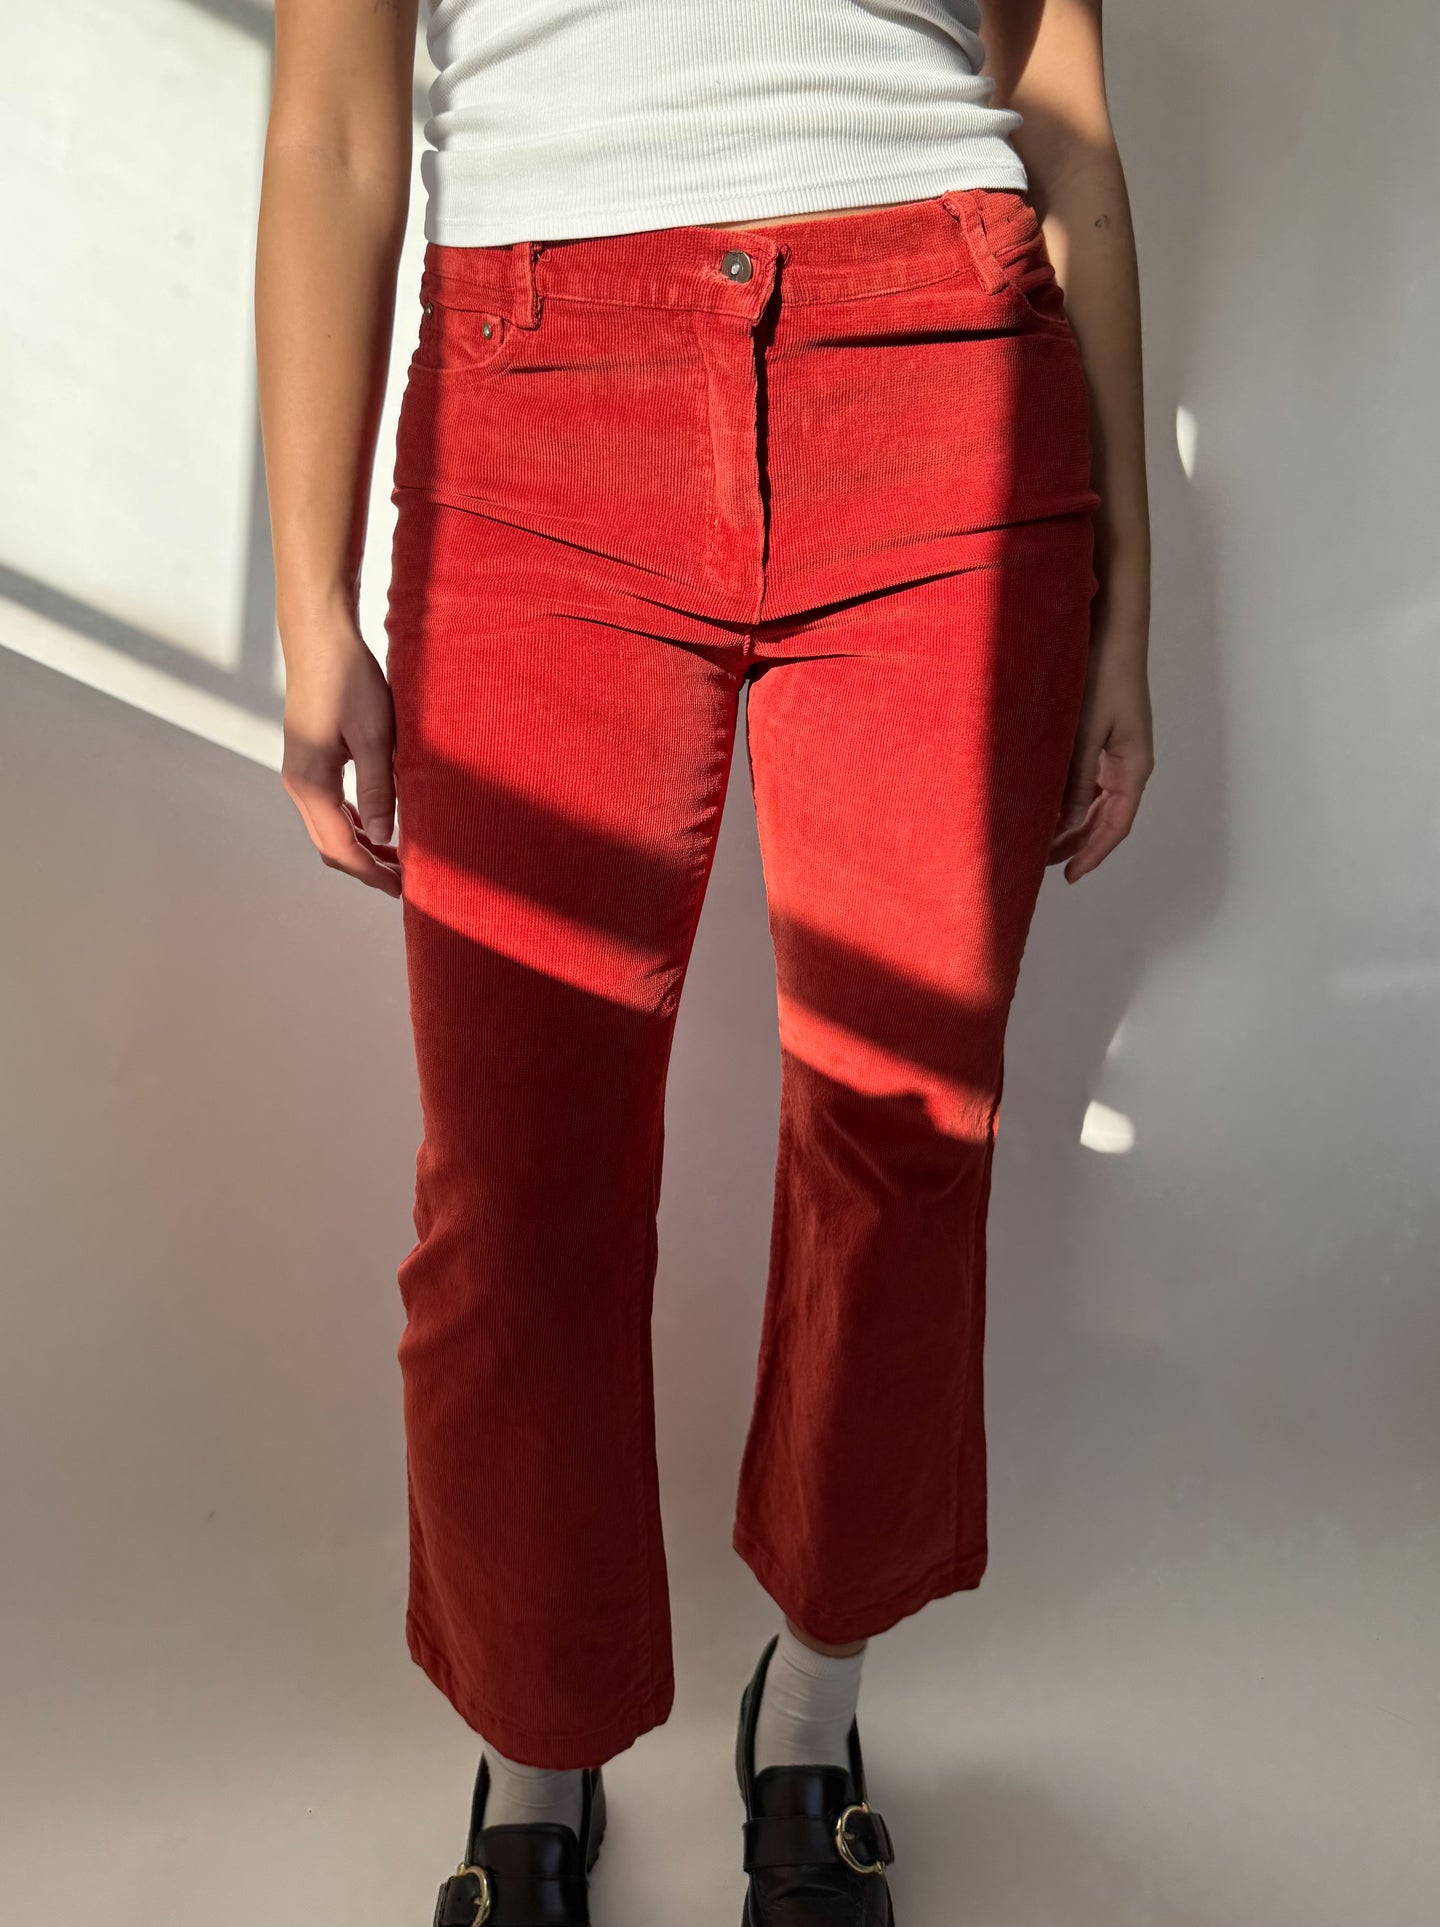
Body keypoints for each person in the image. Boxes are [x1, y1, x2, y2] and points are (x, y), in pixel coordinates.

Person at [255, 1, 1152, 1918]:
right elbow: (331, 121)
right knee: (517, 1187)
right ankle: (534, 1749)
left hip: (943, 380)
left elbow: (1063, 106)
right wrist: (308, 600)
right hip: (535, 402)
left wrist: (1127, 596)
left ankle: (810, 1717)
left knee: (902, 1134)